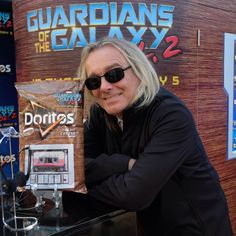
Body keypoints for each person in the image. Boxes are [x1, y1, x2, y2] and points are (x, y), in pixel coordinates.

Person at [74, 37, 233, 236]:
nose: (104, 86)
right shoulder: (100, 114)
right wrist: (121, 164)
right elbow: (76, 167)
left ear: (139, 70)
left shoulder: (170, 114)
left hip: (196, 228)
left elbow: (133, 195)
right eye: (94, 80)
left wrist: (77, 188)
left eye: (114, 74)